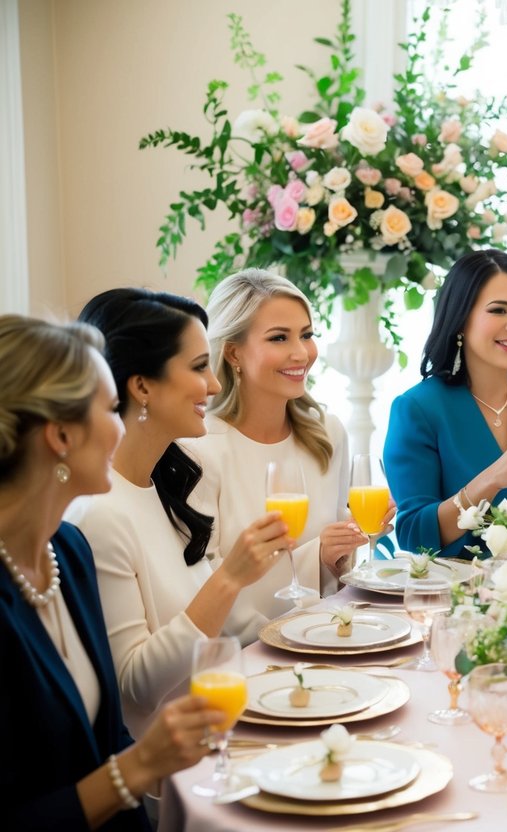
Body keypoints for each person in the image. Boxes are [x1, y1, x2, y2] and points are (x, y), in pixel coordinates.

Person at [0, 314, 226, 831]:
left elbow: (106, 739)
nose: (121, 426)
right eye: (108, 409)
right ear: (59, 435)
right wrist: (144, 763)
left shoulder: (68, 551)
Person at [68, 289, 288, 735]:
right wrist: (230, 577)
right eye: (198, 367)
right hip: (174, 759)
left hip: (226, 719)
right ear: (142, 386)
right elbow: (136, 688)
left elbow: (216, 634)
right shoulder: (100, 516)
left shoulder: (171, 482)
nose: (215, 384)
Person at [184, 270, 365, 620]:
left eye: (307, 335)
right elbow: (202, 586)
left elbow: (339, 580)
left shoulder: (328, 434)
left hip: (327, 636)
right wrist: (317, 555)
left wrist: (349, 543)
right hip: (244, 653)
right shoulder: (199, 449)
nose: (301, 353)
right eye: (279, 338)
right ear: (234, 353)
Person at [385, 249, 507, 557]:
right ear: (460, 319)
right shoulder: (418, 409)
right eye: (499, 311)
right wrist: (492, 479)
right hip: (453, 596)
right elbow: (413, 535)